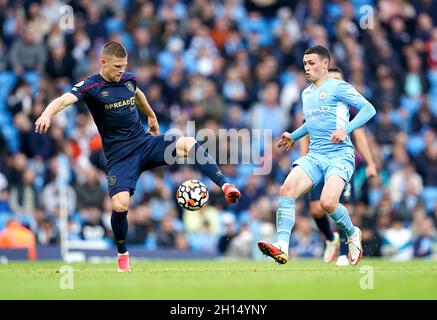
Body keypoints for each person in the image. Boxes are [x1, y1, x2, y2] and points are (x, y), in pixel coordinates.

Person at [35, 41, 241, 272]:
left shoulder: (128, 79)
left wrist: (151, 116)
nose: (121, 70)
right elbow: (63, 100)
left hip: (144, 144)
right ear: (103, 62)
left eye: (123, 66)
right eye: (116, 66)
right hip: (120, 157)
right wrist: (46, 114)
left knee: (188, 143)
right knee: (120, 205)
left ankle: (225, 186)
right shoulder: (91, 86)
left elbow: (138, 94)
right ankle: (123, 255)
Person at [258, 45, 376, 266]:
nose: (307, 68)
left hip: (340, 155)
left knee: (328, 203)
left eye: (311, 63)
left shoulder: (338, 87)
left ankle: (352, 232)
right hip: (316, 155)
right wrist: (294, 135)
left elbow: (369, 109)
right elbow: (311, 123)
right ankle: (282, 247)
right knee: (286, 190)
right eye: (305, 64)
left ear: (325, 64)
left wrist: (346, 129)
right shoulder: (306, 93)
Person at [300, 67, 377, 265]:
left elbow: (359, 136)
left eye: (338, 80)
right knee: (317, 210)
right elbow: (305, 133)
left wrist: (370, 164)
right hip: (318, 161)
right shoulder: (314, 104)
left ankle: (344, 251)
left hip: (341, 163)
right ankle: (330, 238)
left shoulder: (349, 109)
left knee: (343, 206)